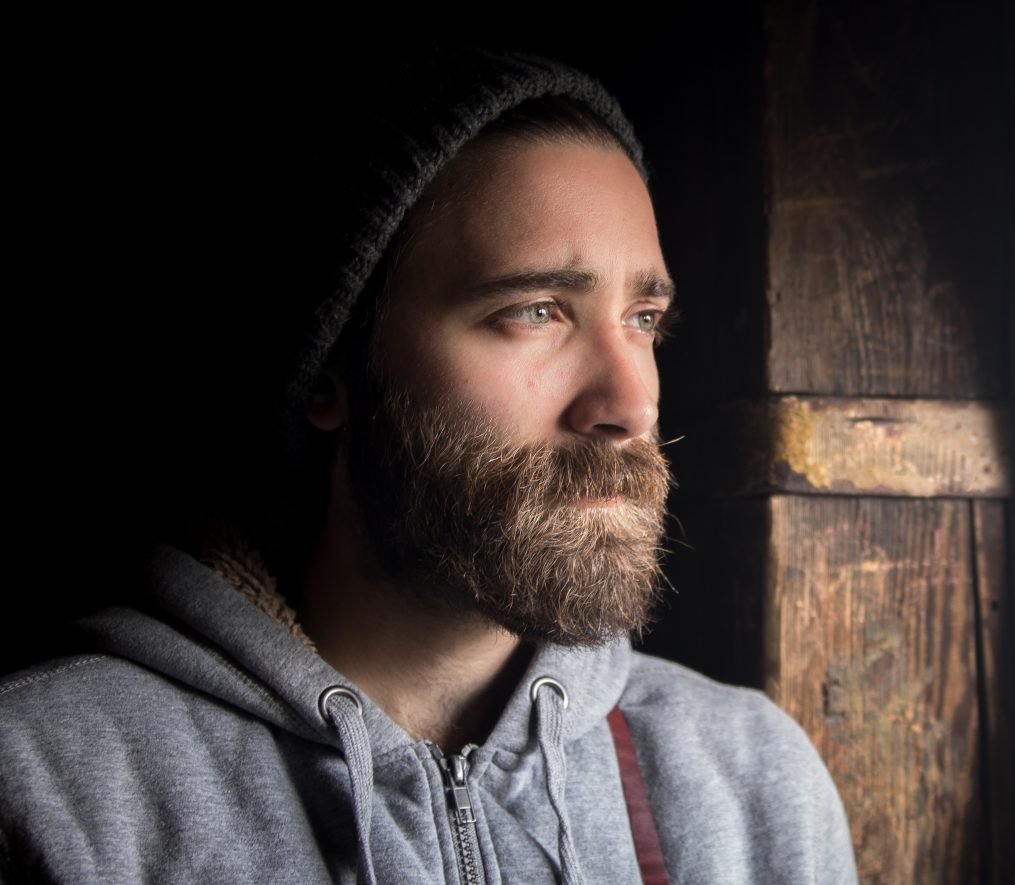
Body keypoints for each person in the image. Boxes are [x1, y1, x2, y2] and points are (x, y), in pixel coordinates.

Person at [0, 49, 857, 883]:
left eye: (643, 320)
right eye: (536, 311)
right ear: (335, 372)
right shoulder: (51, 790)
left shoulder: (750, 784)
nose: (631, 406)